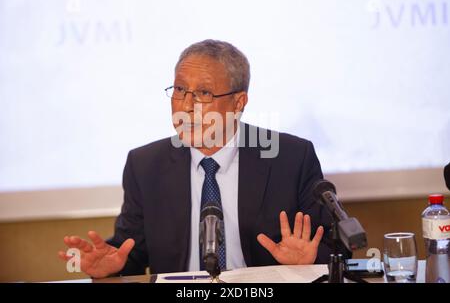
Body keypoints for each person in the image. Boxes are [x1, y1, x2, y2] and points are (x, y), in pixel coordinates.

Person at [59, 39, 347, 278]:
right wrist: (110, 266)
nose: (186, 106)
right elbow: (130, 252)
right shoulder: (145, 165)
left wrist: (312, 259)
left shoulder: (291, 158)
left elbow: (337, 247)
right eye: (180, 90)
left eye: (204, 93)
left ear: (238, 103)